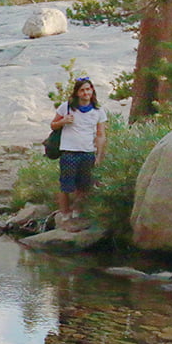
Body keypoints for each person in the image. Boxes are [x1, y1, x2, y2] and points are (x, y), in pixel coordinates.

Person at [49, 76, 107, 230]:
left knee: (84, 186)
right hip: (69, 151)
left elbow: (101, 134)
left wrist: (99, 155)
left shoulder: (98, 111)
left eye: (88, 89)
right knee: (66, 185)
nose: (85, 92)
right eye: (82, 90)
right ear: (77, 93)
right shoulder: (66, 107)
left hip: (87, 151)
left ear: (92, 90)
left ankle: (77, 211)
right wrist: (63, 121)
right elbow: (53, 125)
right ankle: (65, 213)